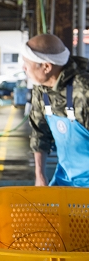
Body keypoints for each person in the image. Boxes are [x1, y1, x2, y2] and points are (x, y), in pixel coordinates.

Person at [21, 33, 89, 187]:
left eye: (26, 63)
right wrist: (40, 176)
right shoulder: (41, 89)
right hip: (65, 180)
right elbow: (39, 134)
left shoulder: (84, 91)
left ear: (46, 67)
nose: (23, 68)